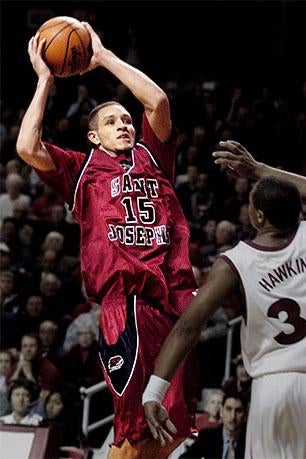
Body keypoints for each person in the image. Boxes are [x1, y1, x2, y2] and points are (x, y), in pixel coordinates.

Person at [16, 22, 198, 458]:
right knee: (140, 427)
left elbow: (156, 101)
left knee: (172, 425)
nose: (125, 125)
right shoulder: (82, 170)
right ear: (93, 136)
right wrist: (45, 80)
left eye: (127, 120)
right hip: (127, 305)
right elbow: (27, 145)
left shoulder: (154, 155)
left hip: (174, 304)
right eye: (113, 121)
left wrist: (103, 57)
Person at [143, 141, 306, 459]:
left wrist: (155, 391)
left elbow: (188, 327)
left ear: (258, 216)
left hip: (273, 387)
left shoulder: (236, 262)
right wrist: (260, 169)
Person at [180, 391, 247, 459]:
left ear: (245, 415)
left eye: (238, 411)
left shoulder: (249, 440)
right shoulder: (207, 436)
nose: (233, 416)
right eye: (228, 409)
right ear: (221, 411)